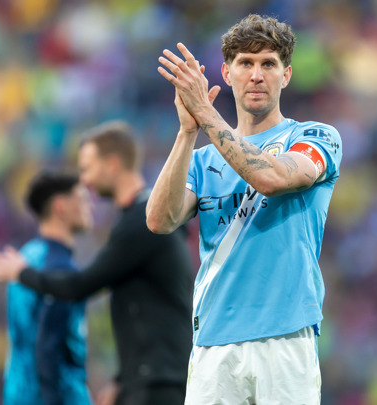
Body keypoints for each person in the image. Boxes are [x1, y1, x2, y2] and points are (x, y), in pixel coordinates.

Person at [147, 14, 343, 404]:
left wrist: (206, 115)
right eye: (245, 63)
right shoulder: (202, 161)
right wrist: (188, 131)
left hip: (286, 337)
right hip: (213, 342)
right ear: (227, 73)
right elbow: (158, 220)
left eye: (268, 64)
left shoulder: (314, 136)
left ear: (286, 75)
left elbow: (272, 178)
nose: (256, 75)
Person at [0, 122, 194, 405]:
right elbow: (144, 310)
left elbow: (80, 285)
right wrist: (122, 379)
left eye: (87, 168)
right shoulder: (137, 223)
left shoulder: (143, 223)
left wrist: (22, 273)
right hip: (150, 378)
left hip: (157, 383)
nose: (84, 181)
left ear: (112, 164)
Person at [2, 170, 93, 404]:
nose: (90, 206)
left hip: (18, 393)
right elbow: (48, 345)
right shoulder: (59, 268)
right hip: (54, 396)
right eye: (82, 199)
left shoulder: (26, 258)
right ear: (61, 206)